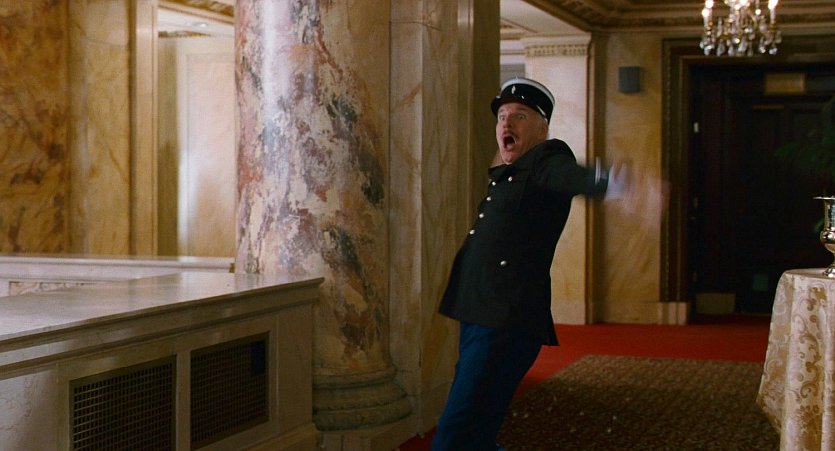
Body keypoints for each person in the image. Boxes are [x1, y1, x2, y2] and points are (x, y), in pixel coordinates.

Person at [432, 77, 627, 451]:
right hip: (479, 311)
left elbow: (573, 176)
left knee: (456, 430)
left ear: (542, 127)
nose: (506, 123)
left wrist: (616, 183)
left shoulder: (546, 161)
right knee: (477, 428)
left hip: (505, 318)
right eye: (502, 116)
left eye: (519, 115)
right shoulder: (512, 171)